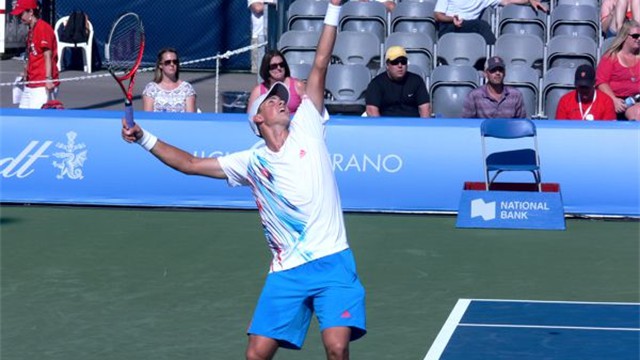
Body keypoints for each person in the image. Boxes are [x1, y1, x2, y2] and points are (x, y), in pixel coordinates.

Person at [122, 1, 366, 359]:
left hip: (333, 261)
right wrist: (144, 137)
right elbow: (190, 164)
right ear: (257, 120)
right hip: (287, 271)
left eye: (283, 100)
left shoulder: (309, 127)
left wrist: (333, 7)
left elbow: (319, 64)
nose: (283, 102)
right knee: (256, 354)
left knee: (336, 346)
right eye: (273, 101)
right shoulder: (251, 162)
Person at [11, 0, 59, 109]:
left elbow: (48, 55)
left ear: (31, 12)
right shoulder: (31, 29)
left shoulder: (43, 28)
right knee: (22, 114)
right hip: (31, 81)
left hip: (42, 83)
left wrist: (48, 79)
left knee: (37, 119)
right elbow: (31, 54)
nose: (19, 17)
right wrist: (25, 73)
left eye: (21, 14)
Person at [434, 0, 548, 45]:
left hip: (469, 27)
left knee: (479, 26)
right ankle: (494, 55)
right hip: (449, 26)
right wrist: (452, 19)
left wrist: (529, 0)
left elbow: (507, 1)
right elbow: (438, 15)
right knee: (482, 25)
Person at [365, 46, 431, 118]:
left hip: (412, 126)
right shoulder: (376, 83)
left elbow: (425, 109)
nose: (400, 65)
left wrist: (422, 128)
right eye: (395, 62)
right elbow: (371, 110)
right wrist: (382, 128)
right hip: (386, 126)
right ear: (387, 65)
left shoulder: (416, 81)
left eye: (403, 62)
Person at [596, 20, 640, 120]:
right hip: (615, 98)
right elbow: (601, 82)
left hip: (636, 99)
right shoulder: (611, 57)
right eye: (635, 36)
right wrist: (614, 100)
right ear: (624, 37)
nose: (639, 39)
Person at [461, 56, 527, 119]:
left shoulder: (515, 95)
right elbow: (467, 123)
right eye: (493, 70)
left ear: (504, 73)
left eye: (500, 70)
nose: (497, 73)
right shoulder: (474, 96)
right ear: (485, 74)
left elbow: (521, 123)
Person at [247, 50, 304, 116]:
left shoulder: (298, 86)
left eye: (281, 64)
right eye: (274, 66)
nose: (279, 68)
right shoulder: (258, 91)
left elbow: (309, 110)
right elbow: (250, 116)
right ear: (266, 69)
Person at [142, 48, 197, 113]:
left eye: (175, 62)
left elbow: (190, 118)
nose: (172, 64)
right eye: (167, 62)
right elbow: (148, 117)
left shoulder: (187, 88)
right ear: (160, 65)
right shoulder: (151, 89)